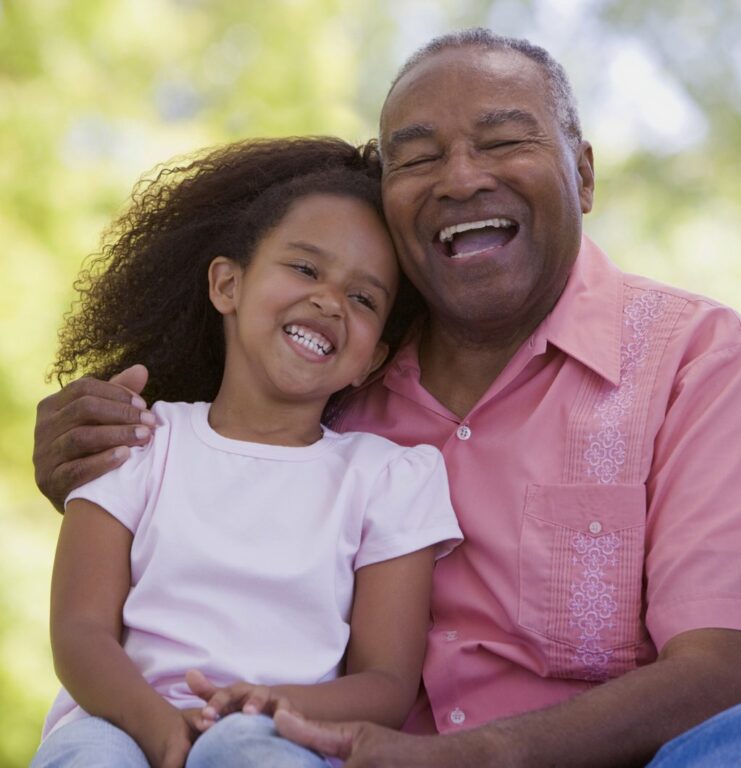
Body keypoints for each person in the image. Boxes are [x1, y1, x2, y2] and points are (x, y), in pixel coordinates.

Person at [33, 28, 741, 767]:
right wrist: (81, 452)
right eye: (416, 159)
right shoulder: (329, 379)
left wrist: (473, 757)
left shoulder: (698, 362)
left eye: (503, 140)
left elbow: (727, 670)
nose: (458, 179)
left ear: (583, 172)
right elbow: (197, 482)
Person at [30, 136, 463, 768]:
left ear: (371, 361)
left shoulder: (388, 478)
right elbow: (78, 633)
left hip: (281, 728)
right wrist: (163, 729)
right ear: (228, 284)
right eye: (306, 268)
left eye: (363, 298)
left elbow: (386, 686)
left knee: (245, 750)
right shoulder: (139, 440)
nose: (328, 301)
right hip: (120, 715)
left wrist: (262, 706)